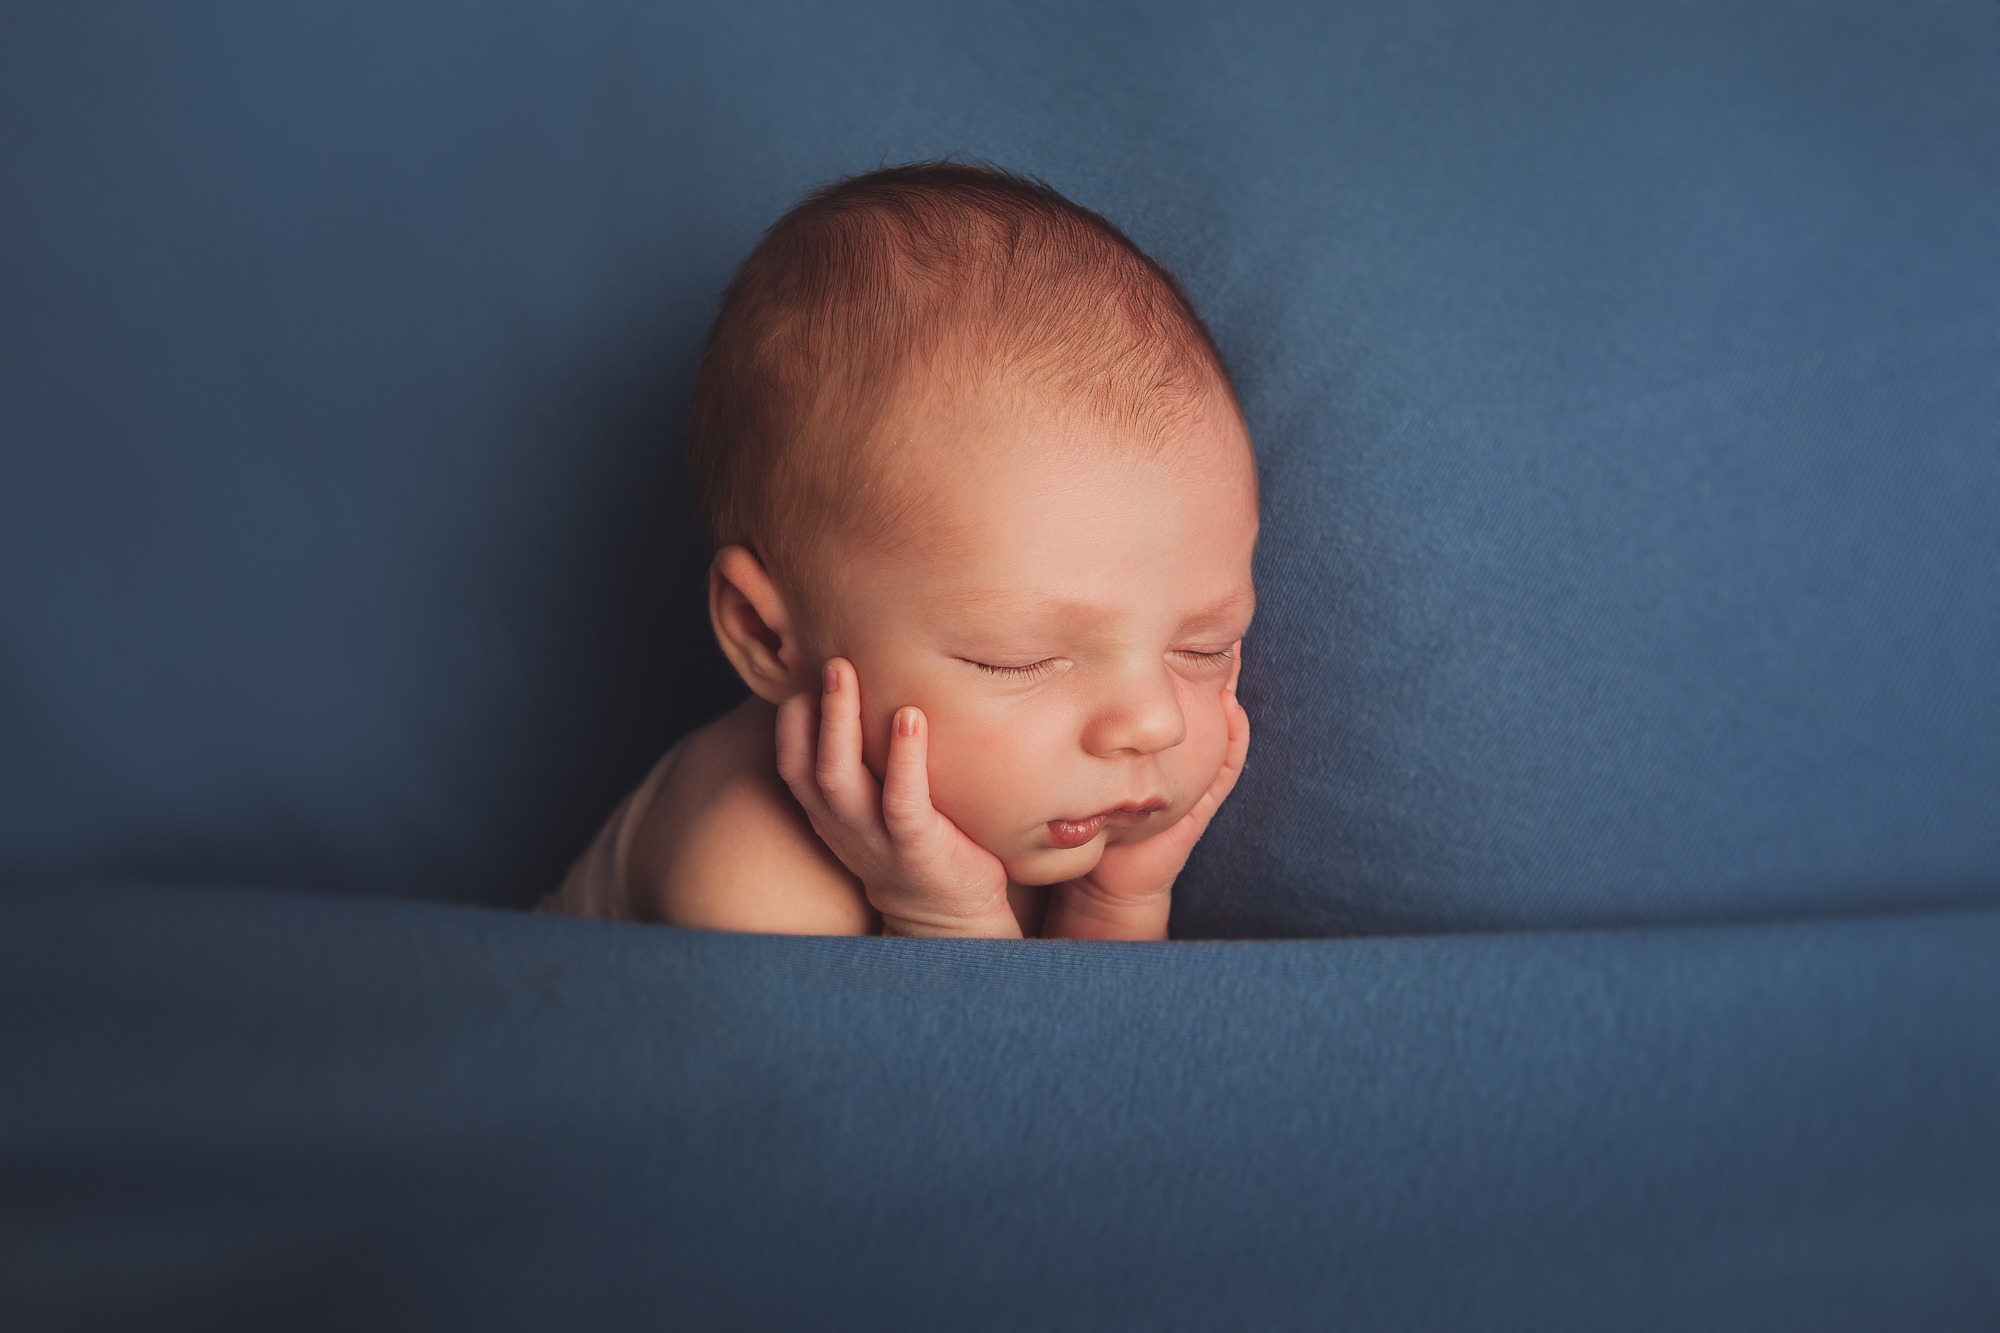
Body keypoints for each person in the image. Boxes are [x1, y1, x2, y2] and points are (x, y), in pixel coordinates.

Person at [541, 163, 1257, 939]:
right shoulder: (748, 875)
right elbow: (960, 1063)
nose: (1153, 723)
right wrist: (944, 919)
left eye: (1202, 647)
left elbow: (1108, 1054)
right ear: (765, 635)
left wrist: (1113, 905)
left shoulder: (1041, 811)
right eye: (1016, 659)